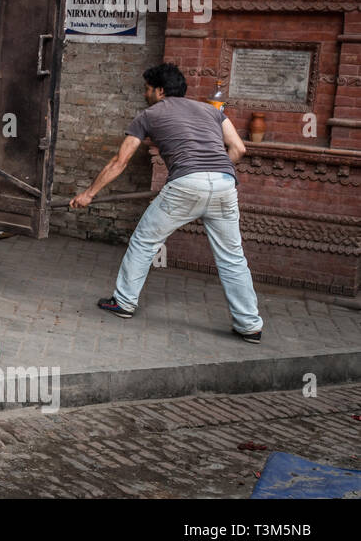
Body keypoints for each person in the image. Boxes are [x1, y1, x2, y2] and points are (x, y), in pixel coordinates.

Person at [70, 63, 263, 343]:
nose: (145, 94)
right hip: (225, 184)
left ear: (159, 90)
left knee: (144, 241)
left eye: (147, 89)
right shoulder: (212, 110)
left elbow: (120, 161)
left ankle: (123, 302)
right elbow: (239, 149)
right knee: (233, 258)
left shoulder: (148, 115)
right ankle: (249, 326)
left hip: (185, 185)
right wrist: (210, 174)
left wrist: (89, 193)